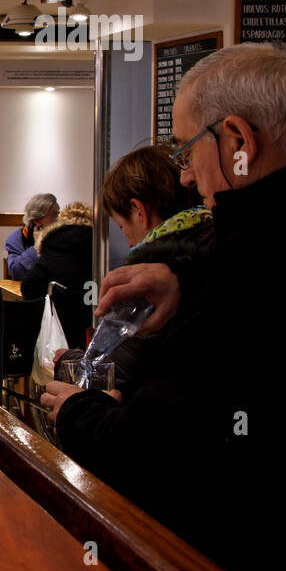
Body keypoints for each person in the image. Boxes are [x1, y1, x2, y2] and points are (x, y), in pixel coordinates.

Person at [43, 44, 286, 571]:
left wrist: (80, 414)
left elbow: (164, 454)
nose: (182, 177)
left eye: (187, 150)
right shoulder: (224, 260)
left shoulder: (243, 276)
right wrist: (188, 280)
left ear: (240, 141)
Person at [96, 144, 213, 399]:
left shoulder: (147, 277)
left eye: (122, 226)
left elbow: (115, 373)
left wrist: (66, 361)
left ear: (139, 211)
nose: (127, 242)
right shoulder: (218, 245)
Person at [19, 201, 94, 348]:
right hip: (92, 328)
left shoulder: (54, 243)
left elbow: (28, 286)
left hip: (59, 334)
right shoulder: (100, 245)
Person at [4, 192, 58, 280]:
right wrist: (36, 248)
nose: (58, 219)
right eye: (53, 215)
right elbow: (17, 272)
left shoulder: (62, 235)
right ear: (36, 220)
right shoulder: (18, 238)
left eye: (58, 213)